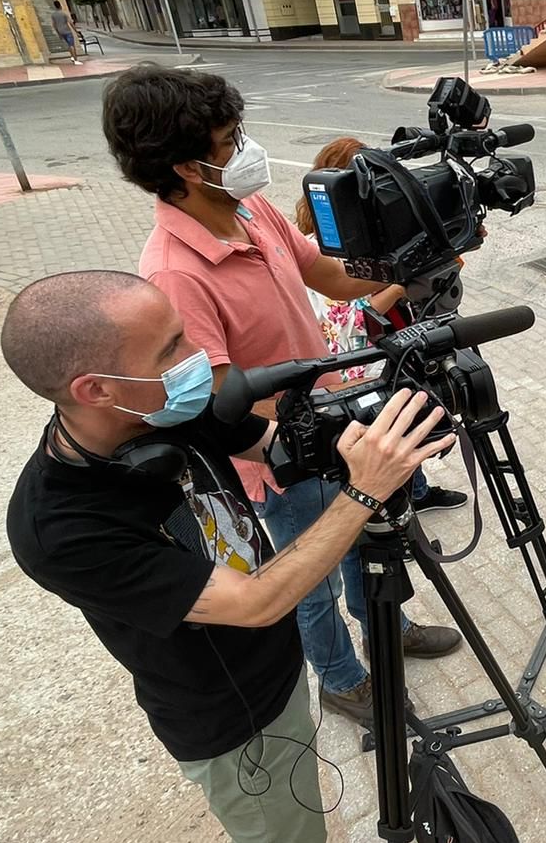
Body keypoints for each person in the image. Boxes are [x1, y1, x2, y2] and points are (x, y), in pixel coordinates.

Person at [3, 270, 449, 843]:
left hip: (271, 675)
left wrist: (352, 431)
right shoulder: (60, 525)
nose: (194, 358)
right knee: (268, 842)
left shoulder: (164, 412)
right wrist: (367, 488)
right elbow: (258, 601)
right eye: (170, 347)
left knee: (287, 815)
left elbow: (269, 441)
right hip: (223, 714)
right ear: (97, 389)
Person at [102, 65, 464, 733]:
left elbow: (326, 274)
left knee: (369, 538)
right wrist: (314, 441)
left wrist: (408, 259)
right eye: (230, 140)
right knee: (313, 574)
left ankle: (390, 627)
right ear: (185, 167)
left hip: (337, 423)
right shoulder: (173, 273)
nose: (246, 149)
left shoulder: (250, 210)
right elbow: (220, 400)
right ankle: (343, 680)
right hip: (282, 458)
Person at [50, 0, 81, 65]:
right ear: (60, 6)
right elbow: (70, 23)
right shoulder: (64, 13)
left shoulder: (53, 15)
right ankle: (75, 60)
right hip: (67, 31)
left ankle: (72, 56)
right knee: (72, 45)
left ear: (55, 6)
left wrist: (58, 33)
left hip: (61, 32)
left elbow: (54, 25)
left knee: (68, 45)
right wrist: (76, 31)